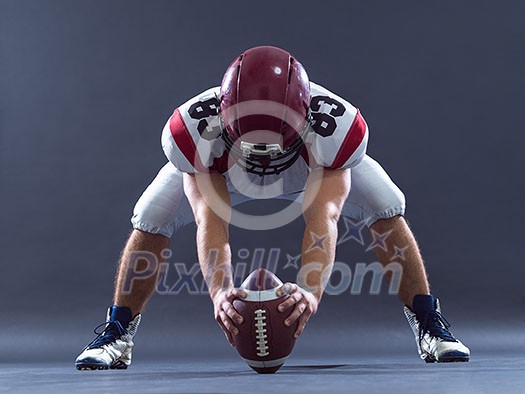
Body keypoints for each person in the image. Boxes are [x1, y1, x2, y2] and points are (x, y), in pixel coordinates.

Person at [75, 46, 469, 370]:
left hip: (308, 167)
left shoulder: (335, 130)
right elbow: (210, 219)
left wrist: (311, 291)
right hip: (225, 169)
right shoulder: (195, 132)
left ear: (307, 118)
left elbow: (324, 218)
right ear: (223, 119)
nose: (264, 160)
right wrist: (220, 293)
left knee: (387, 206)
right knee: (150, 216)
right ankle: (117, 333)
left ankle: (429, 323)